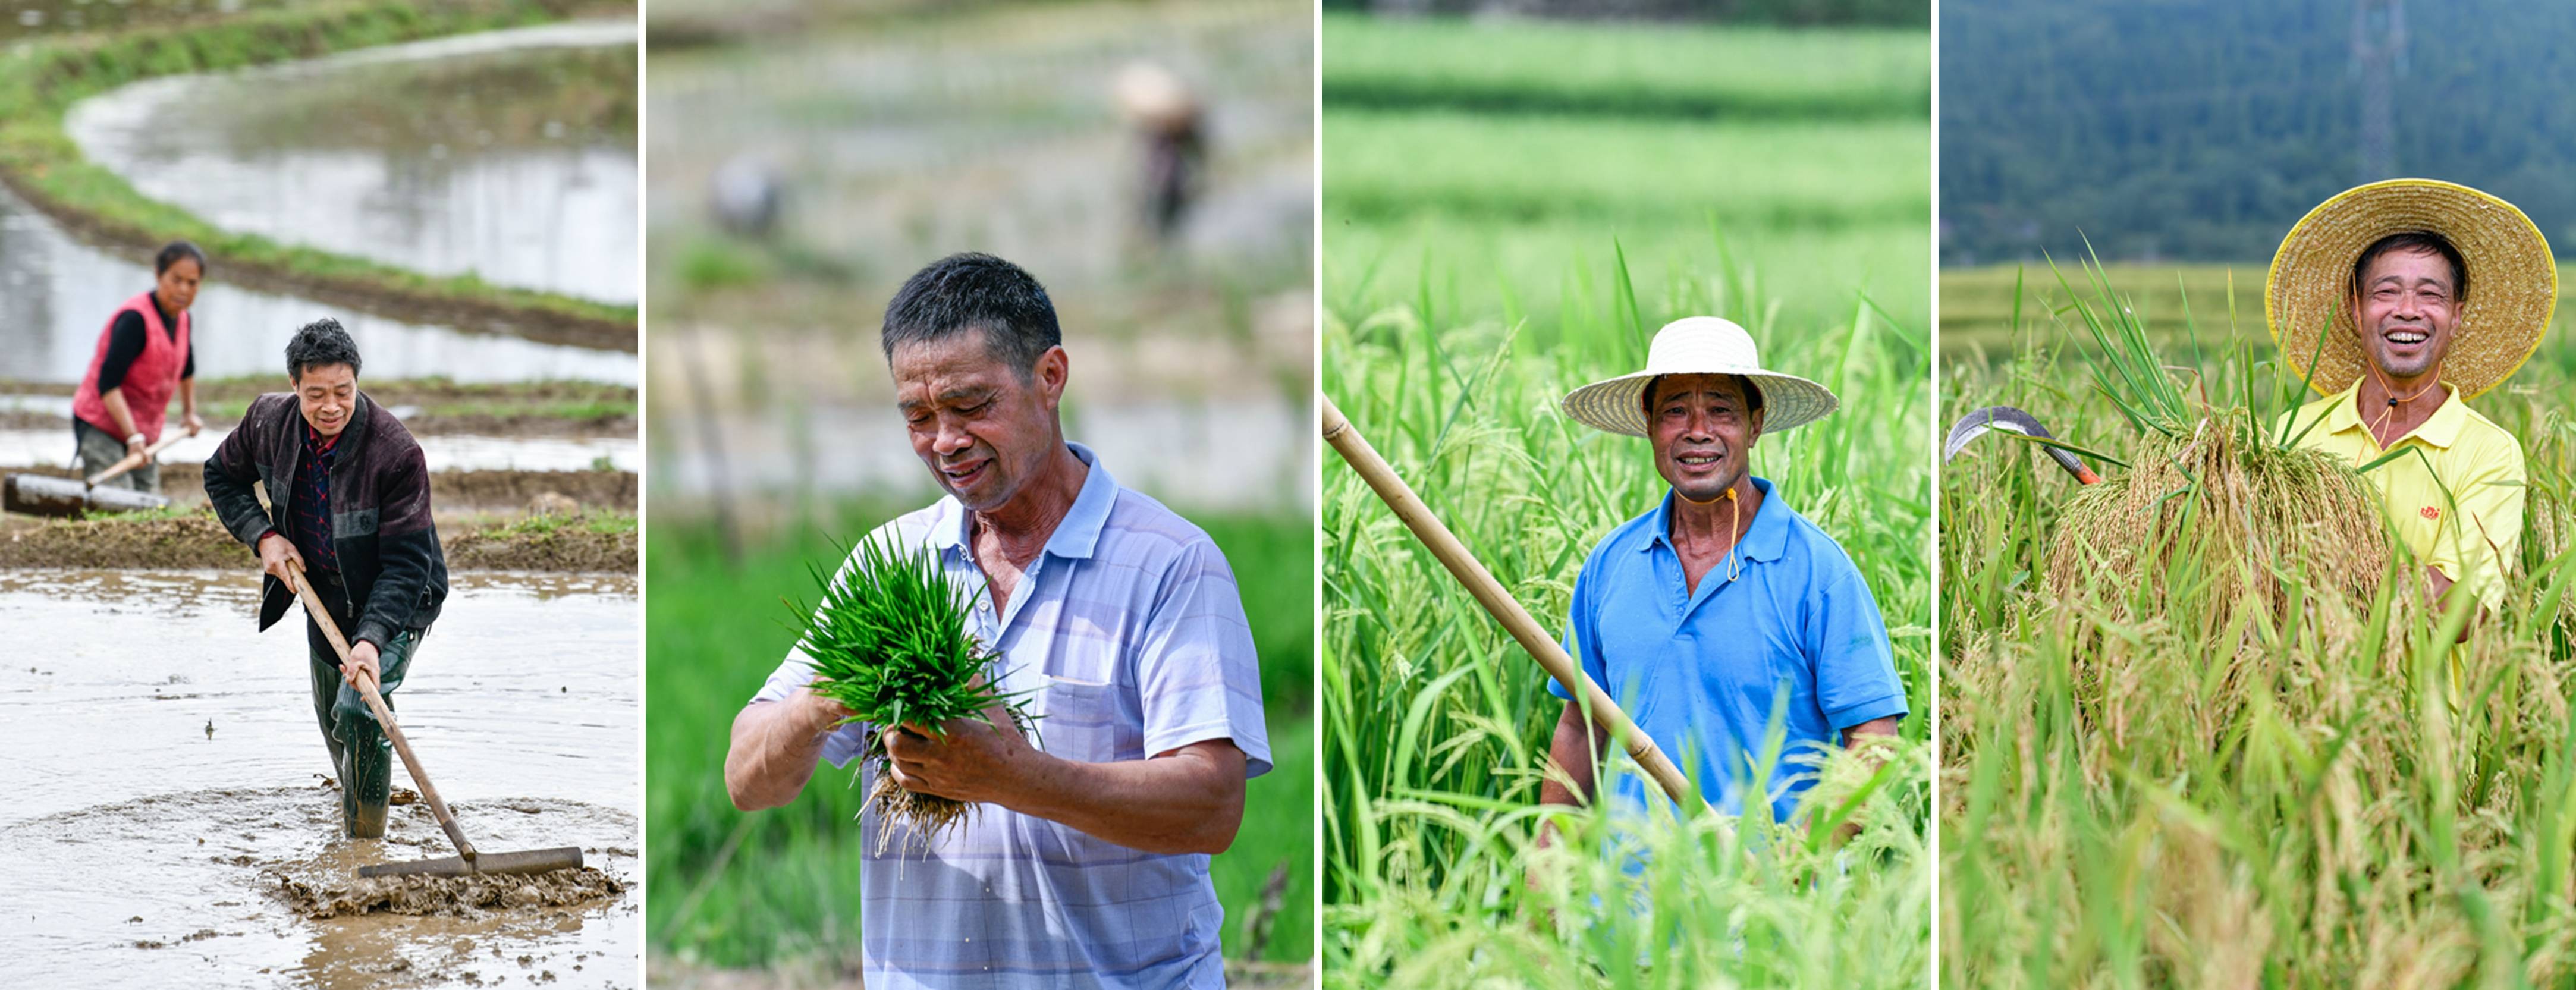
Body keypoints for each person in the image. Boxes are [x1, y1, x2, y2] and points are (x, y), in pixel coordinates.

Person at [722, 252, 1271, 989]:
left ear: (1050, 377)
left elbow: (1210, 805)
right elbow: (748, 779)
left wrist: (1013, 776)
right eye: (919, 417)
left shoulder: (1170, 564)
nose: (944, 441)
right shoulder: (891, 564)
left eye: (972, 406)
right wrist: (822, 704)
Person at [1537, 317, 1907, 834]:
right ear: (1649, 423)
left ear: (1755, 424)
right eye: (1675, 411)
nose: (1697, 431)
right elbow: (1580, 727)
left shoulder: (1818, 571)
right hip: (1626, 905)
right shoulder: (1611, 563)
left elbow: (1874, 742)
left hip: (1768, 905)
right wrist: (1543, 879)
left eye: (1720, 410)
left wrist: (1797, 856)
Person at [203, 318, 448, 839]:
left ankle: (365, 849)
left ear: (357, 381)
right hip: (324, 594)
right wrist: (264, 536)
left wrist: (372, 640)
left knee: (360, 711)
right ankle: (361, 809)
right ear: (295, 387)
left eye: (343, 391)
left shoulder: (397, 453)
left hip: (399, 596)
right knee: (335, 724)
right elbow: (220, 475)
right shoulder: (268, 423)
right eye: (317, 394)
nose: (331, 405)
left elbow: (408, 564)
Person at [2267, 179, 2544, 625]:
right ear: (2357, 311)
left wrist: (2330, 555)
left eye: (2431, 295)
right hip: (2299, 694)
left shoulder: (2488, 452)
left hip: (2425, 696)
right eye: (2386, 292)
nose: (2408, 310)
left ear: (2456, 317)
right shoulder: (2291, 434)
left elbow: (2460, 611)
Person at [70, 241, 207, 492]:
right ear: (158, 275)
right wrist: (133, 437)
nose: (183, 290)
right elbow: (108, 384)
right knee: (115, 502)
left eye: (192, 283)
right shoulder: (135, 320)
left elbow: (186, 369)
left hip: (143, 433)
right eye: (176, 280)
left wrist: (189, 413)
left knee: (149, 506)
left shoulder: (184, 319)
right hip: (103, 425)